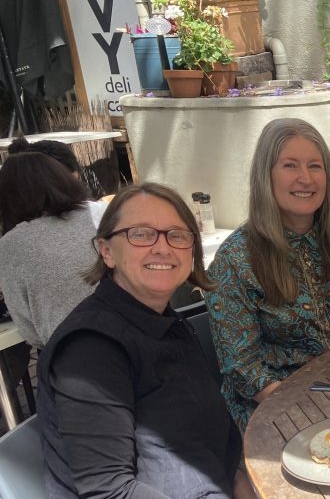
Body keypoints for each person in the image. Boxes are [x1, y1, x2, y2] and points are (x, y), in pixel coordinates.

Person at [36, 183, 244, 498]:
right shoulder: (90, 348)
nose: (163, 248)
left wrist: (243, 478)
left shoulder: (164, 320)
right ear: (106, 251)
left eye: (177, 234)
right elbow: (111, 490)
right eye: (141, 234)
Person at [207, 118, 330, 431]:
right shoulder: (235, 259)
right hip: (277, 406)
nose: (305, 178)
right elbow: (243, 370)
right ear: (266, 176)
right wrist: (314, 410)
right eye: (290, 165)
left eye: (315, 166)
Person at [0, 152, 105, 349]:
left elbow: (30, 331)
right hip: (136, 331)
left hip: (70, 353)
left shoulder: (10, 244)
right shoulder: (98, 211)